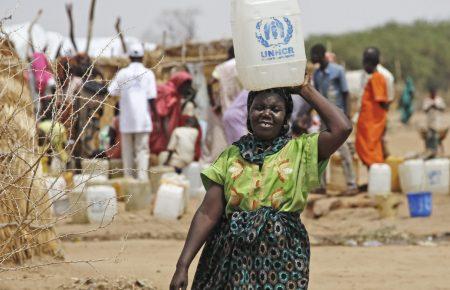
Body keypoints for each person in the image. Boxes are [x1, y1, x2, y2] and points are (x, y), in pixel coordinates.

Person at [170, 76, 352, 289]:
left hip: (282, 258)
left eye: (276, 109)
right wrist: (182, 265)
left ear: (285, 119)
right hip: (230, 258)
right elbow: (208, 213)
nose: (266, 113)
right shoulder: (231, 156)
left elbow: (342, 128)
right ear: (248, 114)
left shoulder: (302, 151)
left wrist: (305, 89)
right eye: (259, 107)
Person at [311, 44, 358, 195]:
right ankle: (322, 185)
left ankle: (351, 184)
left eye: (316, 58)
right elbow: (317, 96)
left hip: (338, 117)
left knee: (343, 151)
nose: (315, 62)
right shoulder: (317, 74)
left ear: (323, 56)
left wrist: (348, 115)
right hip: (324, 118)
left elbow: (346, 93)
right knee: (321, 151)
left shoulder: (338, 71)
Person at [108, 43, 157, 181]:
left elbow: (111, 91)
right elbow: (152, 98)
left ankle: (128, 180)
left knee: (127, 151)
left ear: (129, 57)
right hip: (143, 120)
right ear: (142, 56)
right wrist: (157, 118)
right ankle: (142, 181)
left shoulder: (122, 73)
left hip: (127, 120)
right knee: (142, 150)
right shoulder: (149, 73)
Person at [202, 46, 242, 162]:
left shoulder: (221, 68)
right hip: (243, 108)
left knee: (225, 137)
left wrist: (213, 103)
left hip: (226, 107)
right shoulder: (242, 66)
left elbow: (210, 83)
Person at [355, 47, 389, 167]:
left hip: (372, 123)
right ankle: (374, 179)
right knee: (367, 148)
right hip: (368, 122)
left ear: (368, 63)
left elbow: (381, 101)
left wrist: (384, 119)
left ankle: (377, 177)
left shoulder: (377, 78)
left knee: (369, 149)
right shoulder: (375, 77)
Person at [150, 71, 195, 155]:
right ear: (179, 83)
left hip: (166, 123)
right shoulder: (168, 91)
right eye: (185, 85)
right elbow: (162, 112)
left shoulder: (176, 93)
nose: (187, 88)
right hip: (158, 122)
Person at [422, 87, 447, 158]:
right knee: (429, 138)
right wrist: (430, 106)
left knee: (438, 138)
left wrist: (436, 106)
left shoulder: (439, 100)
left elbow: (443, 108)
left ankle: (440, 152)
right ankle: (428, 151)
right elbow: (424, 109)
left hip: (438, 123)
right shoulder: (427, 100)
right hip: (429, 123)